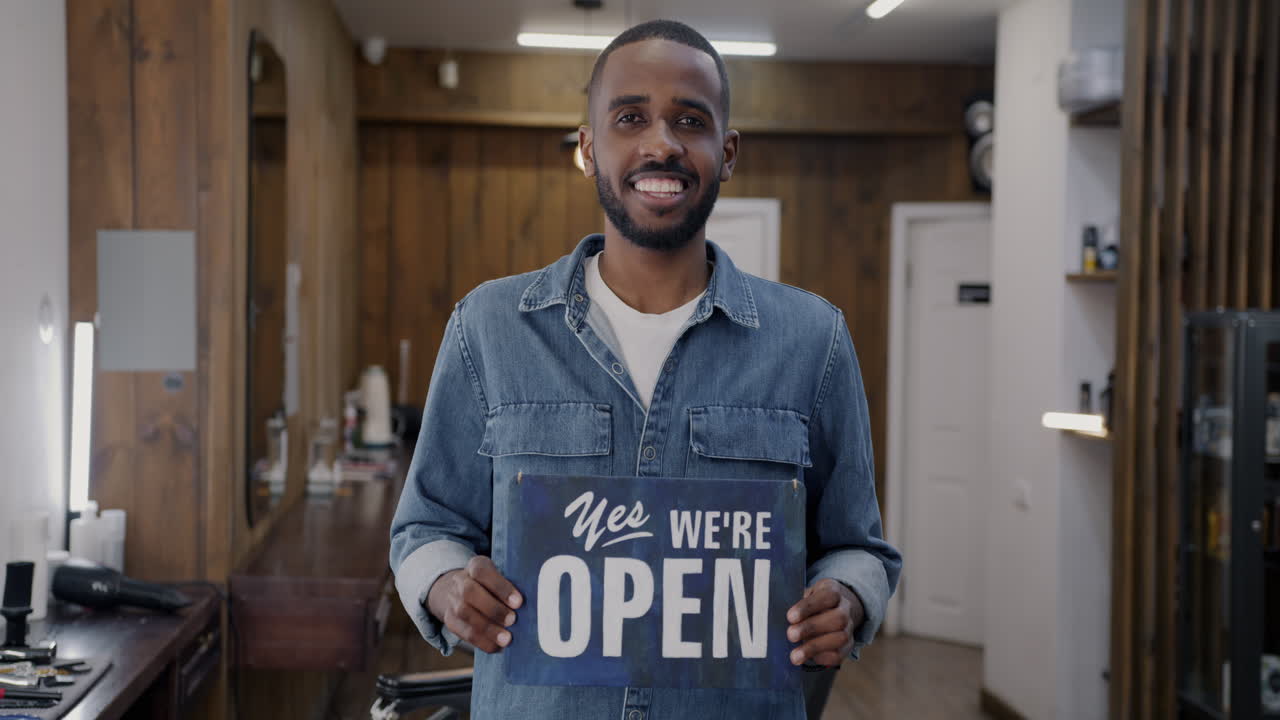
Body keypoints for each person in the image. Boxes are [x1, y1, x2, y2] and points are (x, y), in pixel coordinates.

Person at [390, 19, 901, 719]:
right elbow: (423, 529)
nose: (661, 142)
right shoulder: (489, 328)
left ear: (726, 153)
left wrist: (846, 597)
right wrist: (444, 582)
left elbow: (858, 547)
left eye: (689, 121)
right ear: (589, 146)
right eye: (631, 117)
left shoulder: (814, 341)